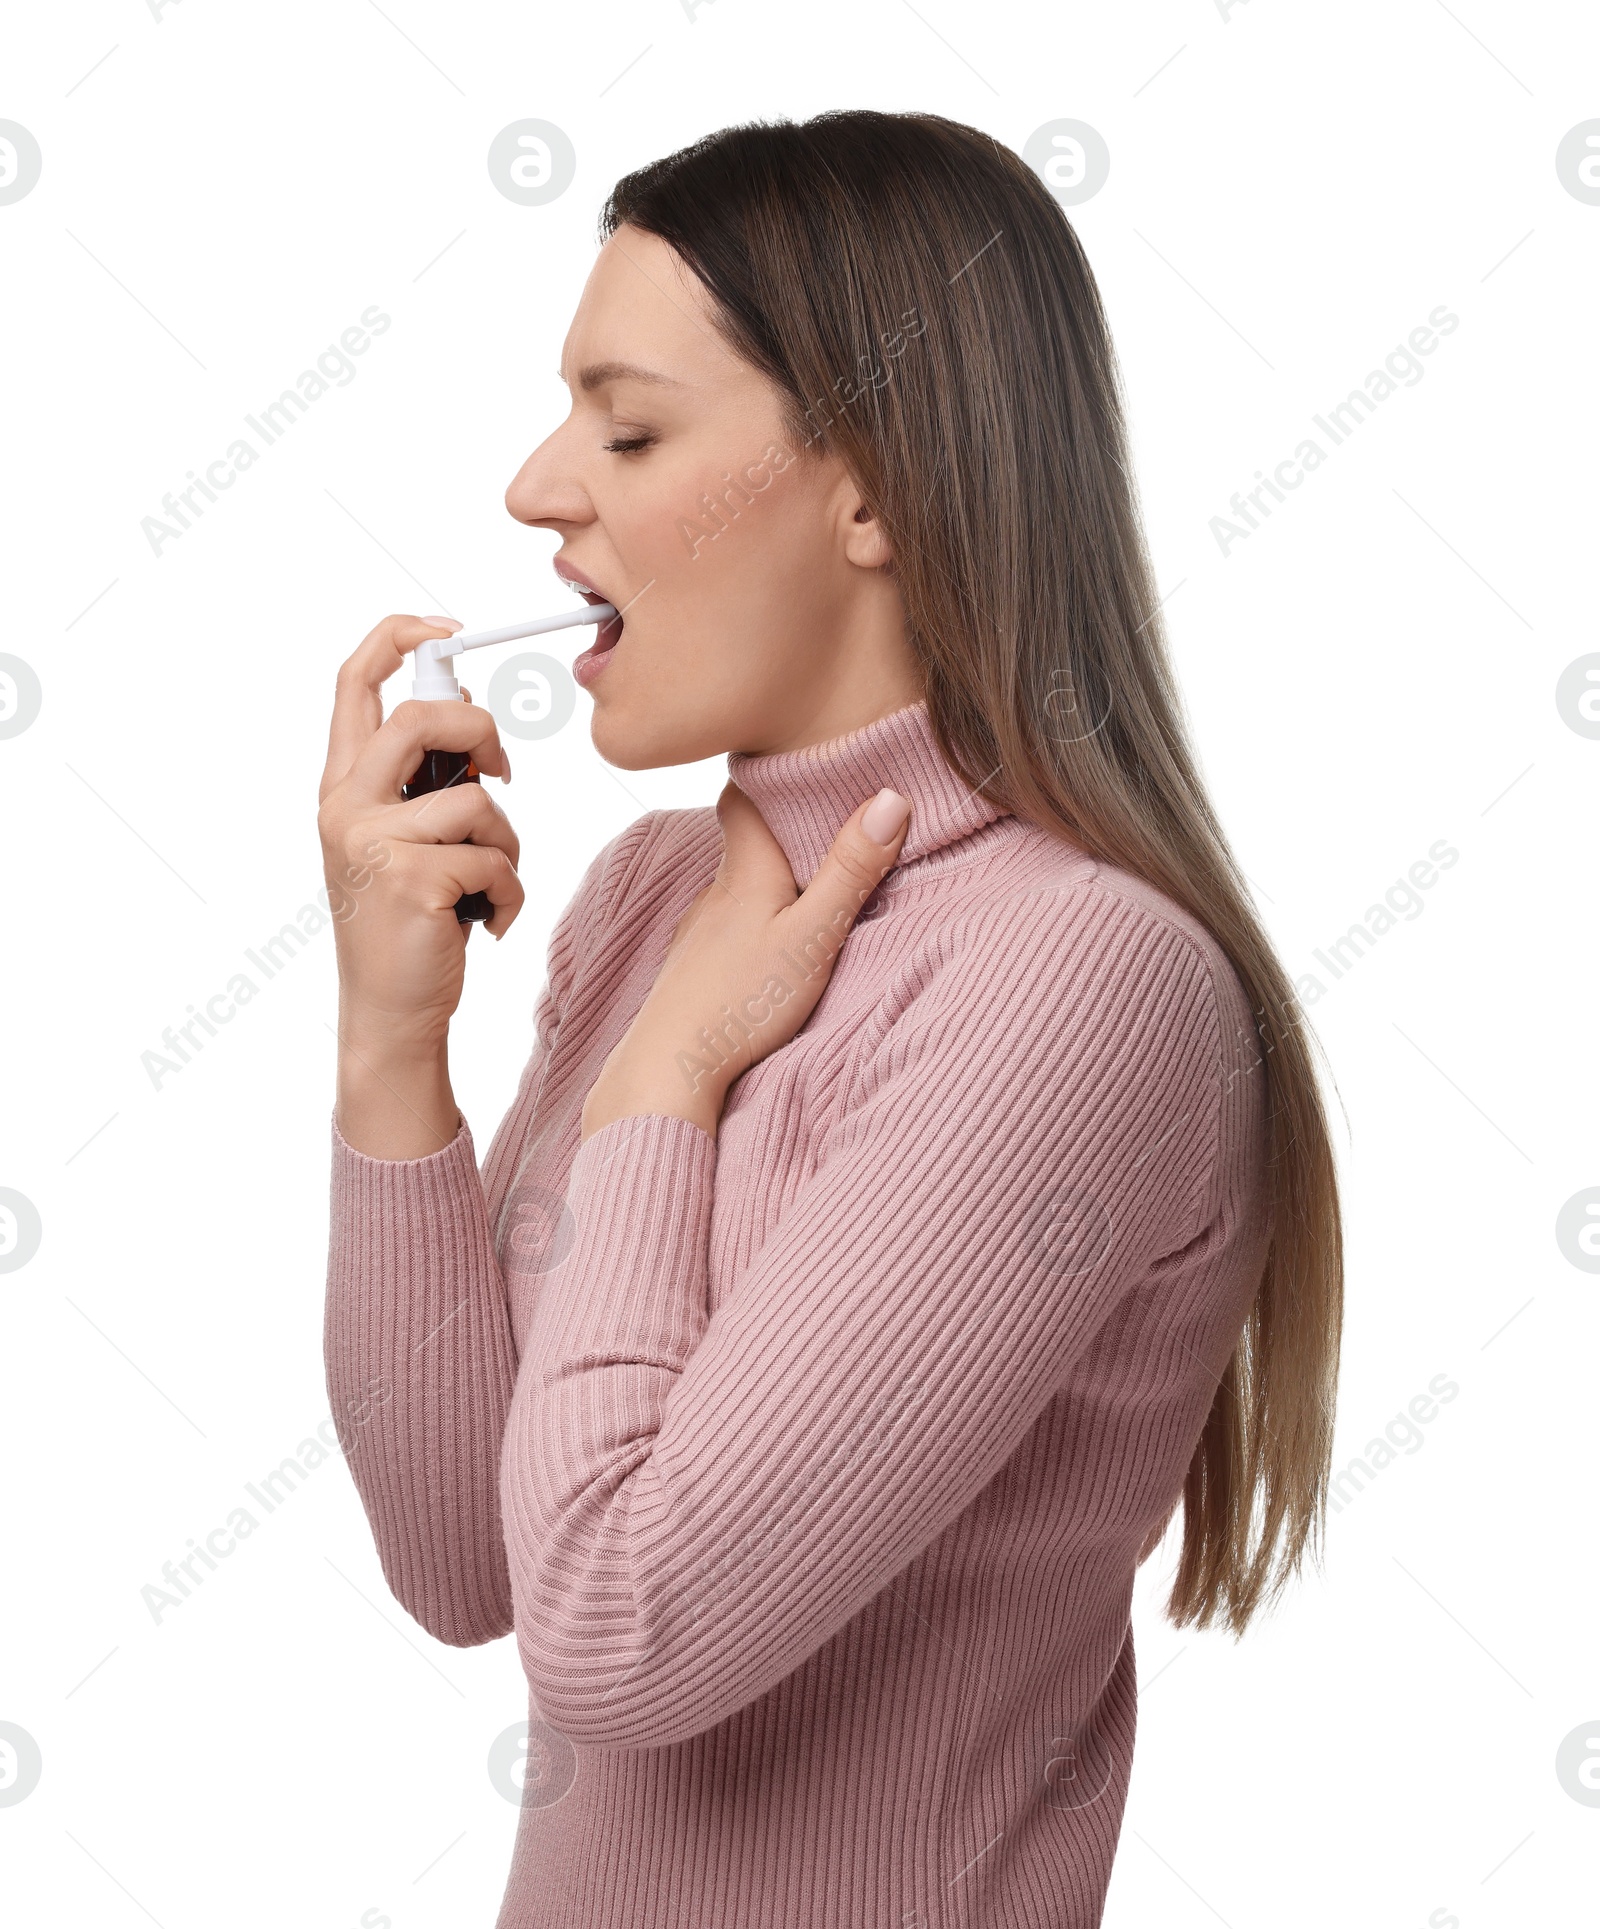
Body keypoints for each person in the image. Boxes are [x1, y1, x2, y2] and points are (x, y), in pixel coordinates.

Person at [318, 109, 1343, 1929]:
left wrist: (665, 1085)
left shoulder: (1082, 982)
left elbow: (624, 1626)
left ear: (872, 487)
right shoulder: (657, 901)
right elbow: (473, 1557)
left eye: (628, 428)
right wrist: (395, 1052)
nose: (538, 488)